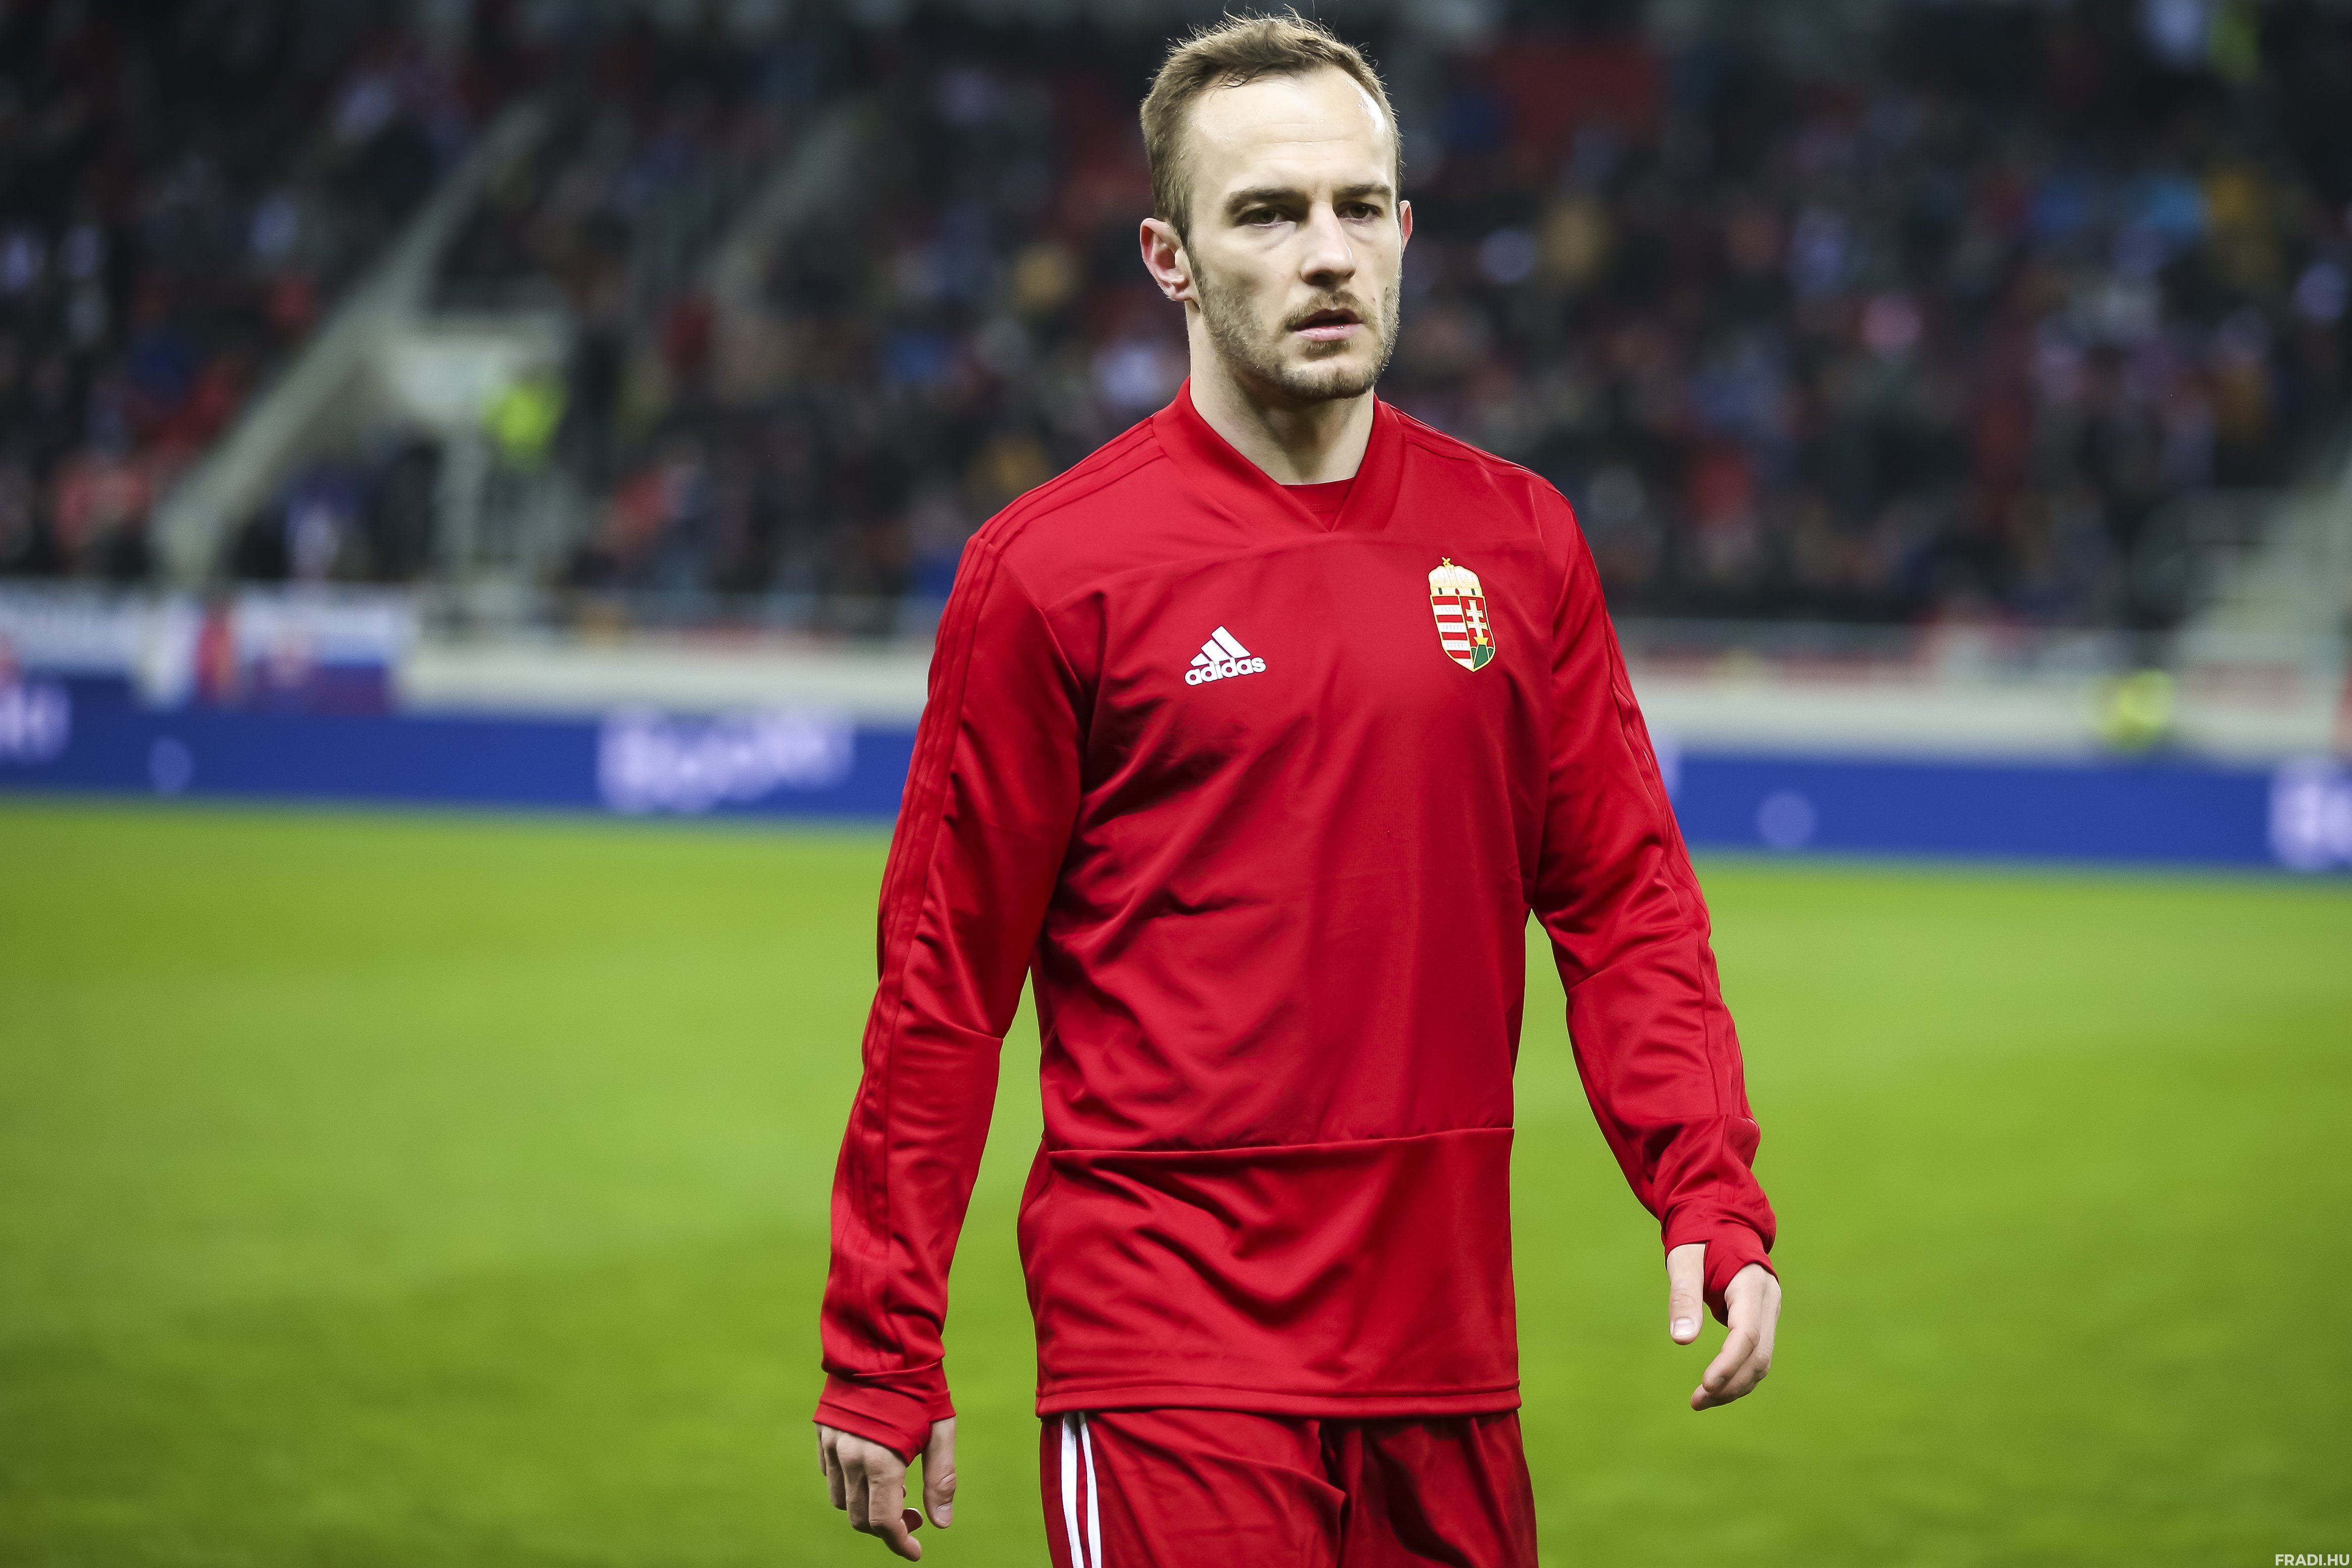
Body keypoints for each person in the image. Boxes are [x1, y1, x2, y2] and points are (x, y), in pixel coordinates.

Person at [814, 16, 1781, 1564]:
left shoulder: (1522, 541)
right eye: (1266, 214)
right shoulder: (1051, 574)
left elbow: (1626, 907)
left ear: (1405, 228)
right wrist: (883, 1341)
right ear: (1170, 260)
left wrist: (1707, 1191)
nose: (1326, 253)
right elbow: (943, 985)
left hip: (1446, 1354)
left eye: (1357, 207)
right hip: (1167, 1352)